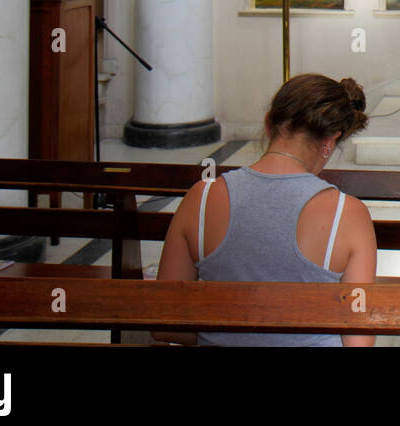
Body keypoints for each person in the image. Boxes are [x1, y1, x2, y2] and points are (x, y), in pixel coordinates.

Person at [154, 74, 376, 346]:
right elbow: (358, 341)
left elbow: (164, 322)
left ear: (269, 123)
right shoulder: (349, 214)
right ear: (331, 140)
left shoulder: (201, 197)